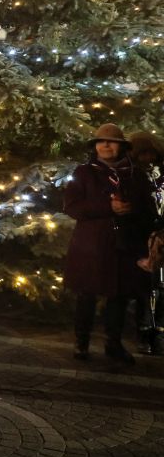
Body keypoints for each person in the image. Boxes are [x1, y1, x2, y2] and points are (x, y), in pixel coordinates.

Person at [64, 123, 154, 364]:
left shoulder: (137, 175)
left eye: (111, 141)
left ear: (121, 147)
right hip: (91, 246)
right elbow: (72, 207)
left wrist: (132, 212)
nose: (105, 145)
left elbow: (149, 212)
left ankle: (113, 344)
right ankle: (81, 343)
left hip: (124, 247)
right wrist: (107, 208)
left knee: (119, 296)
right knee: (86, 296)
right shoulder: (84, 173)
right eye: (100, 141)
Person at [130, 131, 164, 354]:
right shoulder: (134, 177)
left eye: (151, 154)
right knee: (146, 291)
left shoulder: (158, 176)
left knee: (158, 290)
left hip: (159, 239)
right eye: (143, 154)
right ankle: (145, 334)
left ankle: (155, 335)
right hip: (144, 241)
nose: (148, 159)